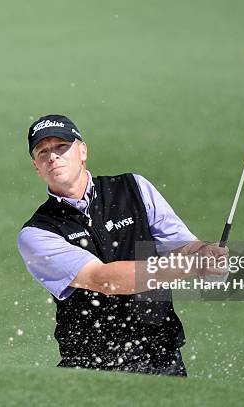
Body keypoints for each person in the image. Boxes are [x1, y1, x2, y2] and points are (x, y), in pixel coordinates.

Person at [17, 114, 227, 376]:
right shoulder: (37, 233)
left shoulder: (133, 188)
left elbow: (184, 246)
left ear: (83, 150)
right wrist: (192, 266)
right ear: (36, 166)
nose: (53, 156)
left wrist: (207, 253)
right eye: (42, 151)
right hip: (92, 366)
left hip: (161, 358)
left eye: (62, 146)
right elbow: (103, 280)